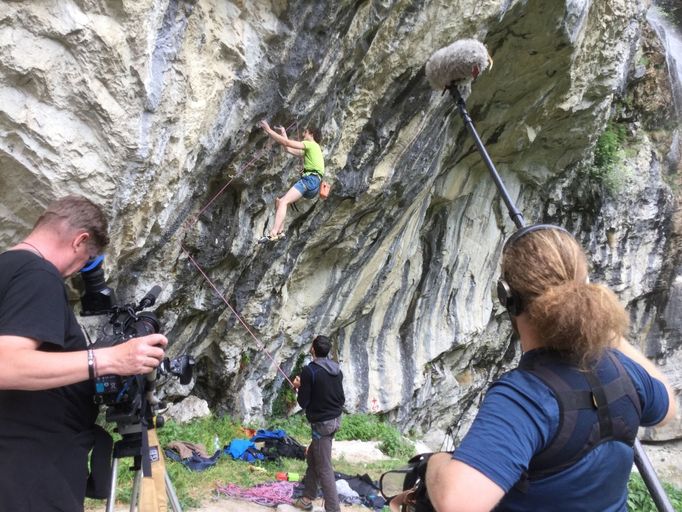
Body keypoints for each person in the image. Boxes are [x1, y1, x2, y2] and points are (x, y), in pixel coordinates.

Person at [421, 225, 676, 512]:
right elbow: (666, 408)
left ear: (506, 296)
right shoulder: (625, 373)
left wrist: (437, 463)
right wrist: (609, 336)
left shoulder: (527, 397)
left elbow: (458, 504)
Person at [0, 195, 169, 511]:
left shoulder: (6, 269)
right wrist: (110, 358)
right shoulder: (38, 275)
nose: (74, 272)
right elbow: (5, 365)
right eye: (83, 262)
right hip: (31, 473)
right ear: (80, 241)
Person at [292, 335, 346, 512]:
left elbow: (303, 402)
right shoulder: (337, 369)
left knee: (324, 467)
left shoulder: (310, 370)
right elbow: (337, 396)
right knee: (313, 458)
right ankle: (307, 498)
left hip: (322, 425)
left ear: (313, 349)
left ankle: (333, 509)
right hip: (335, 420)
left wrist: (299, 386)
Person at [258, 119, 325, 241]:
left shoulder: (311, 145)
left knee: (284, 202)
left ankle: (273, 233)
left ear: (311, 134)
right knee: (280, 201)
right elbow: (287, 149)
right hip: (313, 185)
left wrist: (268, 130)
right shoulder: (314, 149)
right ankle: (281, 232)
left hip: (309, 181)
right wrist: (283, 132)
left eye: (305, 132)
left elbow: (286, 143)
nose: (303, 135)